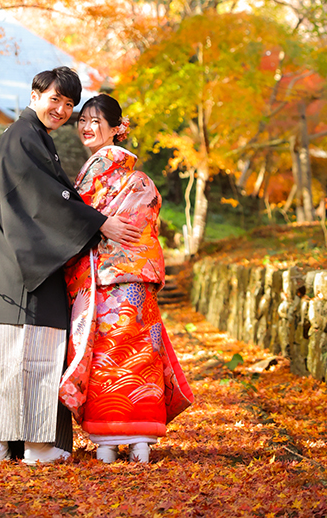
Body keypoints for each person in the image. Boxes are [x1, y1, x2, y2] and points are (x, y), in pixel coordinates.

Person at [0, 67, 140, 465]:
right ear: (35, 96)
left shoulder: (30, 137)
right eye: (55, 99)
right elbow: (46, 197)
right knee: (32, 353)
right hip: (21, 264)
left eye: (69, 104)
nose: (61, 109)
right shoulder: (23, 136)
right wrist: (99, 222)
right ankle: (34, 445)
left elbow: (46, 196)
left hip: (5, 260)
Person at [59, 93, 193, 464]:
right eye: (82, 120)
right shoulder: (141, 181)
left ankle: (106, 441)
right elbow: (145, 232)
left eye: (95, 121)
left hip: (104, 283)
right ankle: (140, 441)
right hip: (137, 285)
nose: (86, 127)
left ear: (117, 128)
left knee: (105, 357)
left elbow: (73, 222)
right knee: (140, 356)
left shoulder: (96, 175)